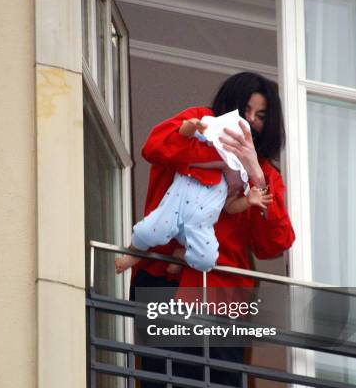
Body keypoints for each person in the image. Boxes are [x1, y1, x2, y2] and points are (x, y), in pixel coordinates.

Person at [123, 72, 295, 388]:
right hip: (166, 280)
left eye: (263, 117)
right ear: (229, 108)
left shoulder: (265, 173)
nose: (253, 123)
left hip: (223, 299)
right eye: (248, 112)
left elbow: (274, 243)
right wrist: (199, 132)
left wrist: (255, 171)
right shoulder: (198, 124)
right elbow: (154, 147)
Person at [114, 110, 273, 276]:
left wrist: (248, 200)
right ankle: (132, 256)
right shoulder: (198, 157)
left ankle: (182, 256)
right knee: (148, 231)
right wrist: (190, 126)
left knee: (207, 260)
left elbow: (230, 206)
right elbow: (183, 138)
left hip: (200, 225)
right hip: (172, 212)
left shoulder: (233, 179)